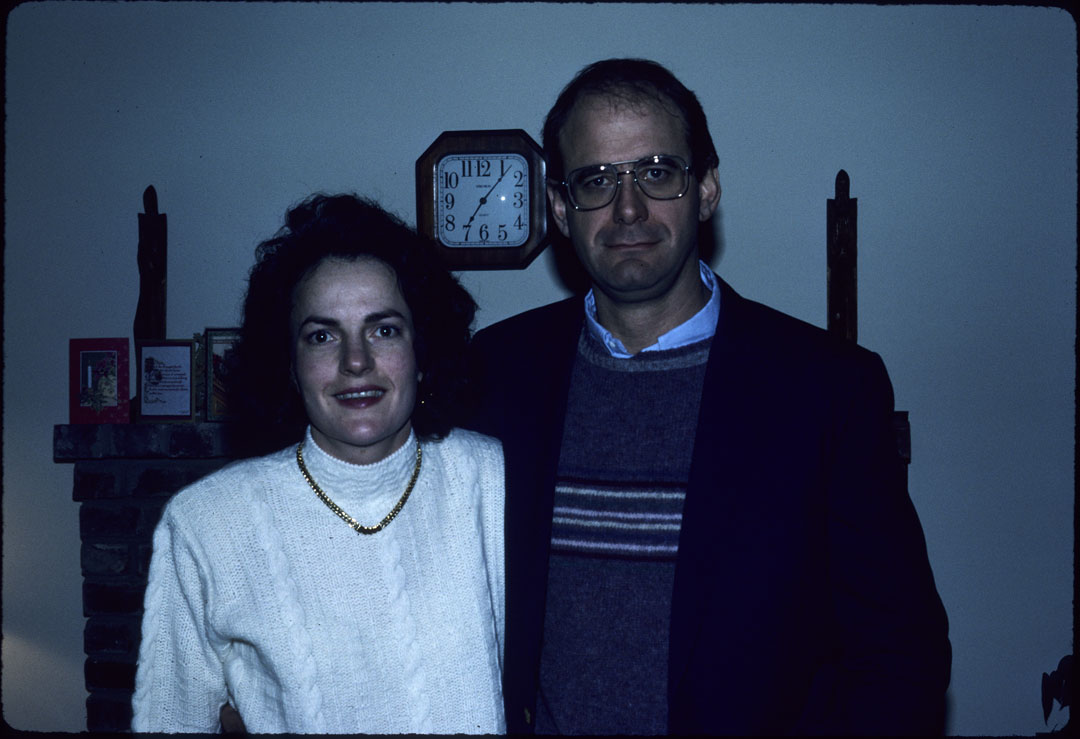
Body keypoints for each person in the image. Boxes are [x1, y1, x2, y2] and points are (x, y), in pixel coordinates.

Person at [467, 58, 951, 735]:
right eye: (597, 180)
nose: (628, 208)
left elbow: (899, 656)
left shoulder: (828, 389)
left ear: (706, 190)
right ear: (559, 207)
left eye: (657, 172)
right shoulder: (494, 373)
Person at [132, 194, 506, 733]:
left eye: (384, 329)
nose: (356, 361)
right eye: (322, 336)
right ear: (288, 365)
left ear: (423, 352)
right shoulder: (206, 522)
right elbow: (171, 720)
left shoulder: (495, 481)